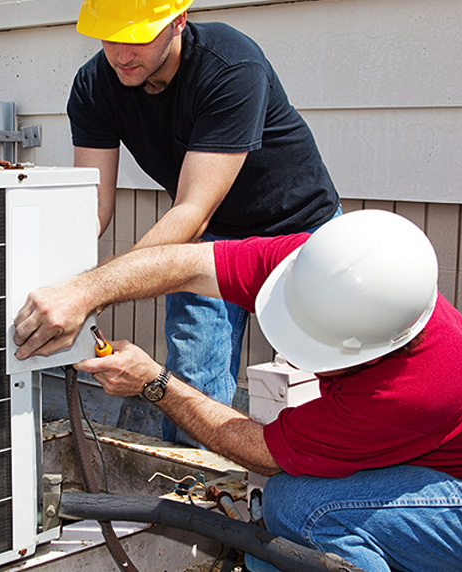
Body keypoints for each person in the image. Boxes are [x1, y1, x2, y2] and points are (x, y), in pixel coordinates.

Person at [13, 210, 462, 572]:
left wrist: (155, 383)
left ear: (371, 348)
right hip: (441, 467)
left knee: (299, 508)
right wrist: (83, 291)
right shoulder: (321, 265)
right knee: (278, 548)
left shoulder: (412, 387)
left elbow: (265, 453)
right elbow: (184, 263)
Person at [67, 0, 340, 440]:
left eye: (137, 37)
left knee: (331, 380)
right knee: (191, 382)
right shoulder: (95, 86)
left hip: (300, 232)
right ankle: (195, 496)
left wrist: (95, 288)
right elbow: (94, 209)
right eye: (110, 36)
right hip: (212, 240)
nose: (121, 54)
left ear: (178, 20)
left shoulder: (230, 65)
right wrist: (60, 281)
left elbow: (193, 210)